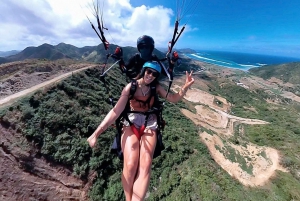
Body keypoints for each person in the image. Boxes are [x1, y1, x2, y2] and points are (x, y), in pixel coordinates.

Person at [87, 60, 194, 201]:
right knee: (131, 164)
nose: (151, 75)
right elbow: (115, 112)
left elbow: (173, 98)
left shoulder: (155, 88)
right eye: (149, 72)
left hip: (149, 122)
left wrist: (185, 87)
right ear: (143, 71)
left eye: (154, 74)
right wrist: (96, 134)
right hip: (131, 122)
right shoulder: (130, 88)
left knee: (146, 164)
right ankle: (128, 198)